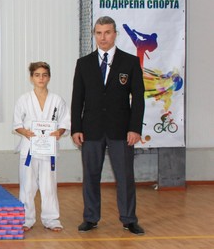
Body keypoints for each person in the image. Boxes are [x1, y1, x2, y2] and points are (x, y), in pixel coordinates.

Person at [71, 16, 145, 235]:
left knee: (125, 177)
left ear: (115, 34)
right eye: (99, 33)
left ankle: (129, 219)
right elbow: (77, 99)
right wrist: (76, 128)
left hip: (121, 130)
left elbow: (138, 99)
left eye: (107, 32)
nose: (103, 37)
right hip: (91, 129)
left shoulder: (130, 62)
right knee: (91, 176)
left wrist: (135, 128)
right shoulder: (83, 63)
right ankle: (90, 217)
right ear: (95, 35)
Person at [13, 62, 70, 232]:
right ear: (31, 78)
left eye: (44, 75)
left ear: (49, 77)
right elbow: (16, 124)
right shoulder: (23, 99)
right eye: (37, 75)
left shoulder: (57, 100)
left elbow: (65, 122)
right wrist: (25, 132)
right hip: (29, 149)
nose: (41, 78)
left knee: (48, 186)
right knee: (27, 186)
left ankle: (51, 219)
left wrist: (59, 132)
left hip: (48, 149)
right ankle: (26, 219)